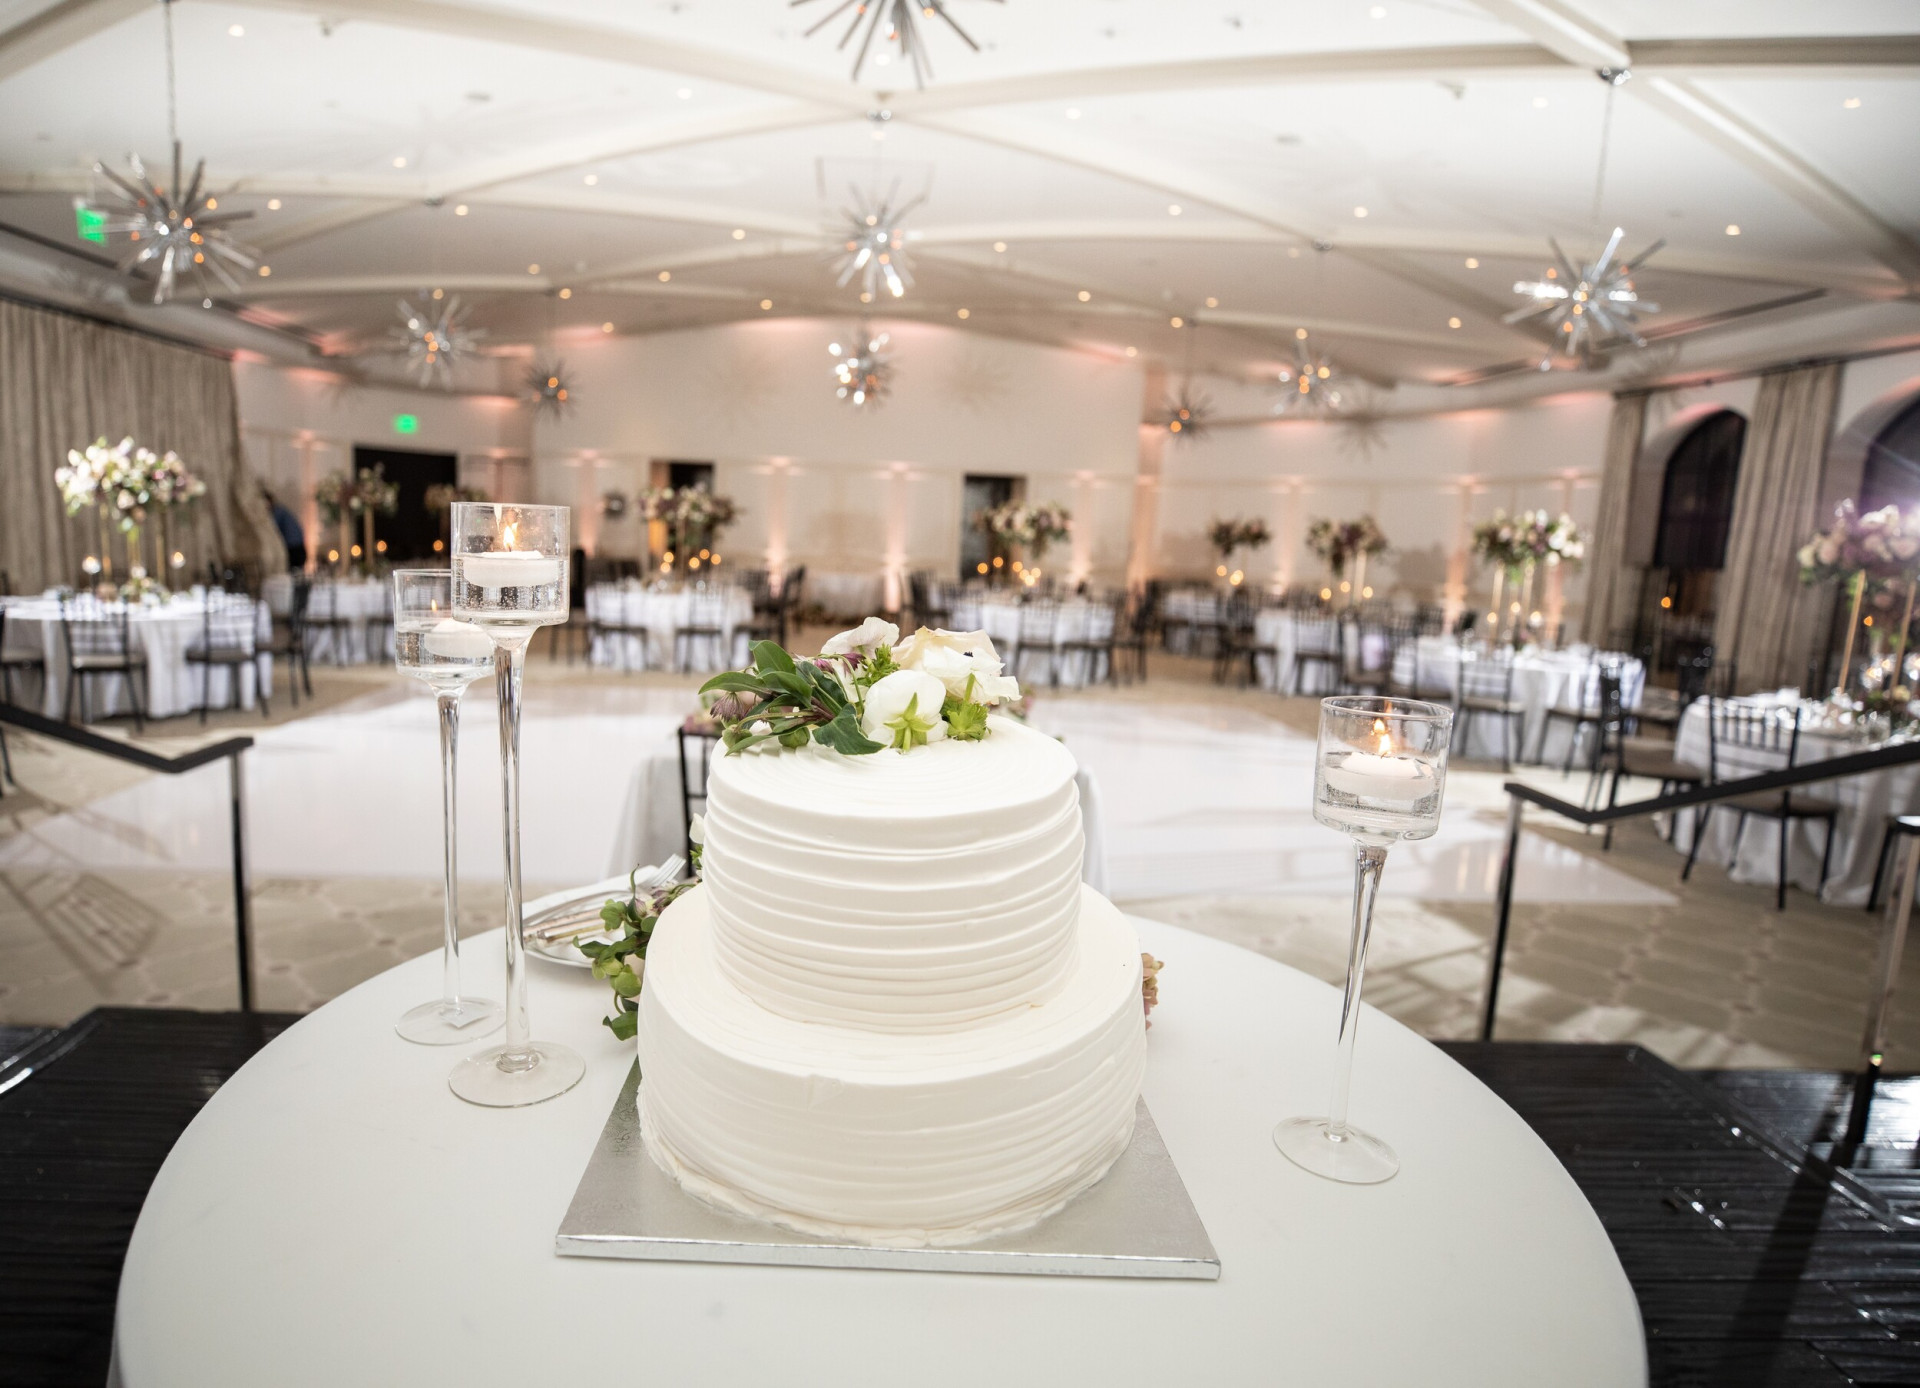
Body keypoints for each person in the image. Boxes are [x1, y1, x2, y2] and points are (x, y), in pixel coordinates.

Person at [264, 487, 307, 571]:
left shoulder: (277, 512)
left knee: (294, 570)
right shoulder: (281, 510)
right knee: (297, 571)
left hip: (293, 546)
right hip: (297, 545)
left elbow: (273, 528)